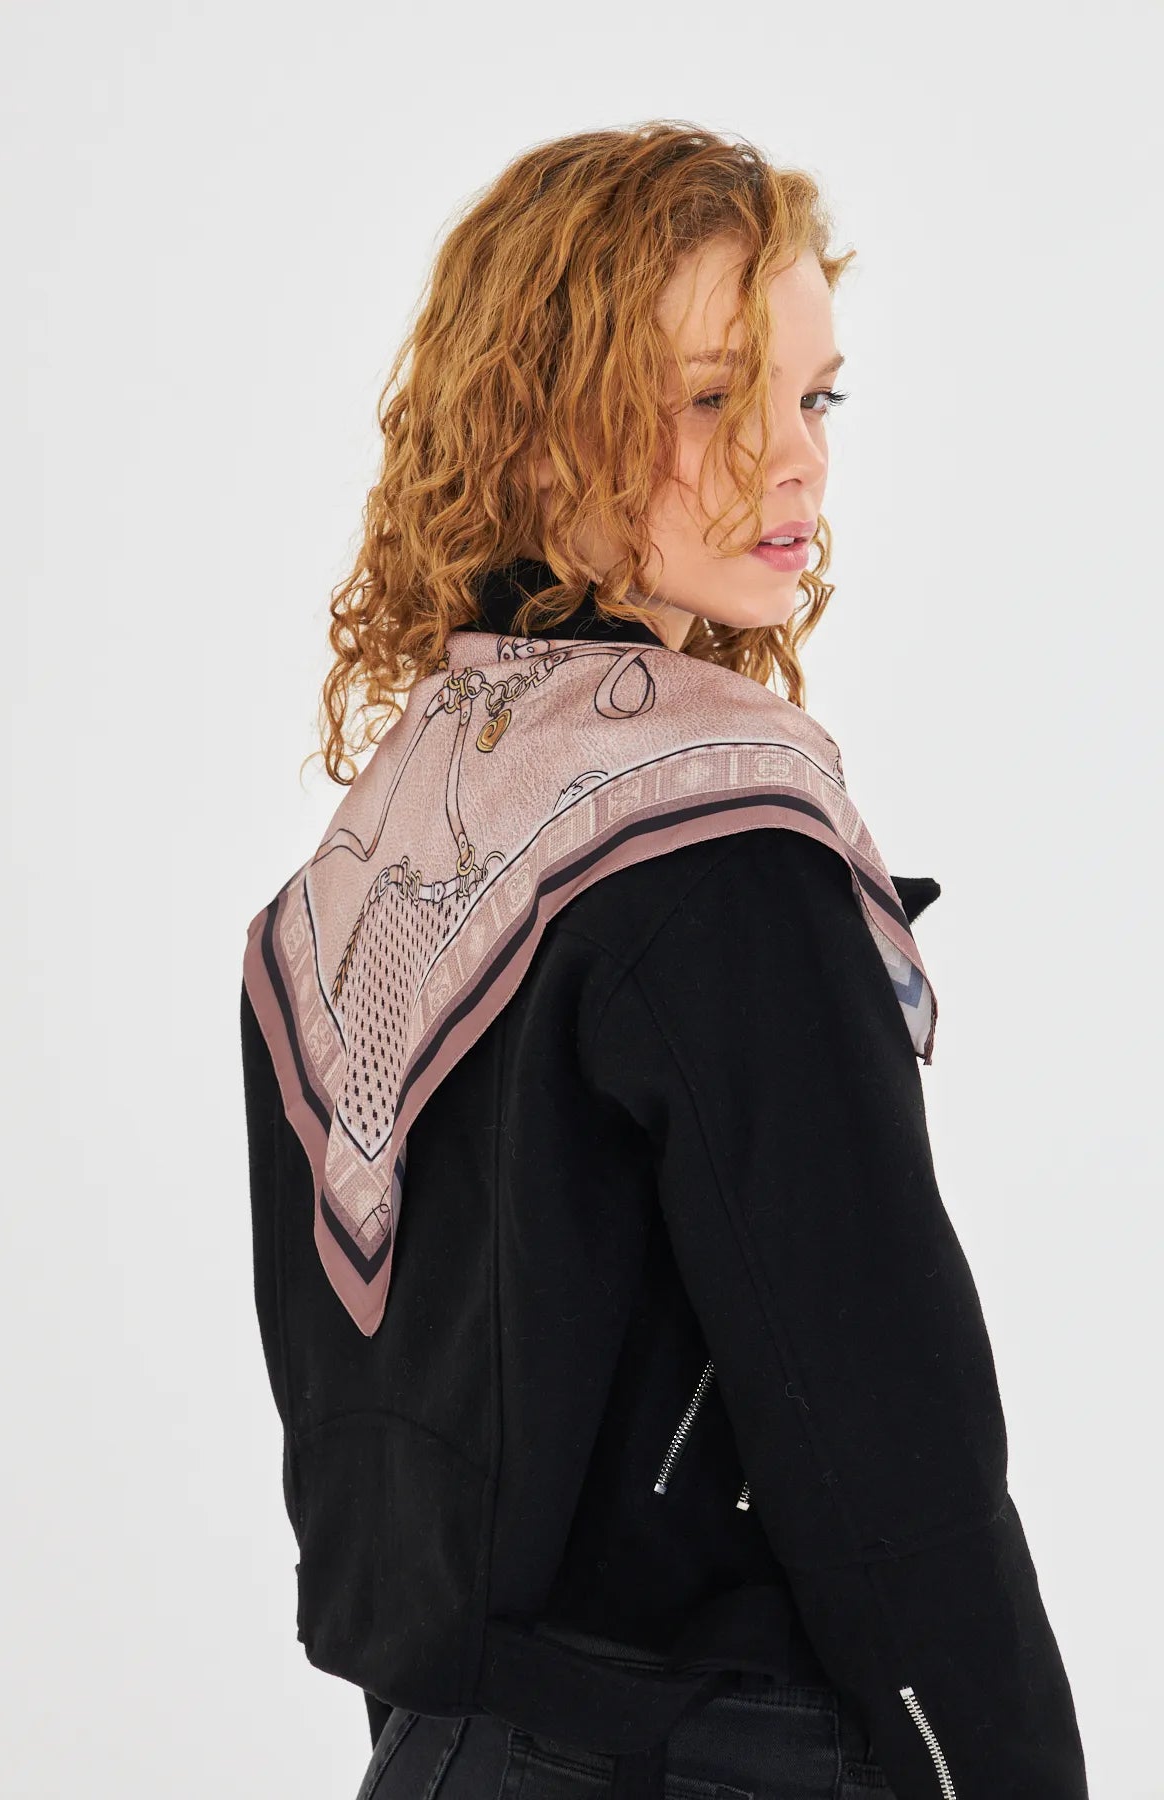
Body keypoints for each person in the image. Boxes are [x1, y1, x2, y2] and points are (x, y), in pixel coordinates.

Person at [239, 123, 1088, 1800]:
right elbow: (891, 1452)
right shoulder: (722, 858)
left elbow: (387, 1498)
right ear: (540, 433)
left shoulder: (359, 875)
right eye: (713, 399)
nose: (795, 460)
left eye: (816, 396)